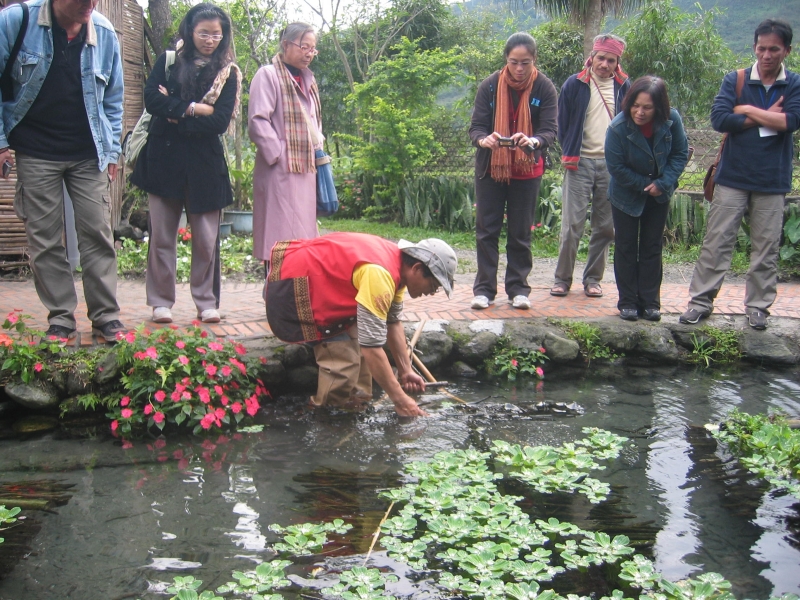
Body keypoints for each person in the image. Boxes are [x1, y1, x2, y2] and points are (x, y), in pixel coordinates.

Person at [0, 0, 125, 343]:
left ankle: (106, 317)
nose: (90, 5)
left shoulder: (103, 32)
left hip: (89, 153)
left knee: (97, 233)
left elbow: (114, 99)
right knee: (44, 239)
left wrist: (113, 149)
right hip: (35, 151)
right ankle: (61, 318)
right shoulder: (17, 21)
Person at [680, 19, 799, 330]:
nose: (767, 55)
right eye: (761, 48)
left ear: (787, 50)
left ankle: (758, 307)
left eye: (774, 49)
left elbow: (790, 122)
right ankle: (700, 302)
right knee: (717, 242)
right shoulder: (736, 80)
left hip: (772, 179)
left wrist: (745, 110)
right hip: (732, 176)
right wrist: (767, 116)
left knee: (766, 246)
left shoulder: (794, 84)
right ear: (754, 47)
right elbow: (720, 119)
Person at [131, 3, 241, 325]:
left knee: (207, 239)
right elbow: (152, 99)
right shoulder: (168, 61)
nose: (210, 40)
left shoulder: (227, 73)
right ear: (190, 31)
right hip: (164, 160)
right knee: (162, 236)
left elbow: (219, 121)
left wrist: (176, 111)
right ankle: (161, 302)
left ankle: (206, 301)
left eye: (216, 34)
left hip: (206, 165)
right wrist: (194, 109)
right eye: (204, 33)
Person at [266, 233, 457, 417]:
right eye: (433, 284)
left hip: (322, 286)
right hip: (290, 285)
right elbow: (372, 348)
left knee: (362, 375)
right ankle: (322, 419)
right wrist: (400, 400)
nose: (432, 292)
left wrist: (406, 370)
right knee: (344, 365)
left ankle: (354, 411)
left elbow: (392, 322)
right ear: (416, 268)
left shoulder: (398, 272)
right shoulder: (380, 274)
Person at [468, 32, 557, 311]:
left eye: (526, 63)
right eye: (514, 62)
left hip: (527, 169)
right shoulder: (490, 86)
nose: (519, 69)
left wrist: (533, 141)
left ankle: (518, 288)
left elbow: (550, 130)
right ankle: (484, 290)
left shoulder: (545, 88)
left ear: (535, 60)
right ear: (506, 59)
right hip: (491, 169)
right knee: (487, 229)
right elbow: (476, 128)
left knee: (520, 232)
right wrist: (485, 140)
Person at [551, 34, 631, 300]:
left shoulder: (625, 87)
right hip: (579, 162)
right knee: (572, 225)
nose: (605, 64)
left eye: (611, 60)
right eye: (601, 58)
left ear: (617, 61)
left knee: (606, 227)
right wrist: (571, 149)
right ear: (592, 57)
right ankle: (562, 279)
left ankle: (593, 279)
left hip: (611, 166)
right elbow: (562, 124)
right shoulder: (574, 84)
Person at [249, 23, 323, 301]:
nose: (309, 54)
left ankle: (295, 296)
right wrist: (278, 154)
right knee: (278, 236)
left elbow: (314, 122)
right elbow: (258, 121)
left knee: (302, 237)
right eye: (304, 47)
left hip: (305, 167)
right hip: (278, 169)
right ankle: (275, 296)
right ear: (286, 44)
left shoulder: (308, 79)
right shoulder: (268, 75)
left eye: (313, 48)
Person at [605, 76, 689, 322]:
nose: (640, 112)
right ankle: (628, 301)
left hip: (659, 194)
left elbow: (680, 154)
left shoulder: (672, 121)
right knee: (626, 246)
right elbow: (616, 167)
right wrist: (645, 185)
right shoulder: (618, 128)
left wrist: (662, 184)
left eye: (647, 108)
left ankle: (651, 302)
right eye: (635, 106)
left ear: (659, 108)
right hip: (626, 195)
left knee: (652, 246)